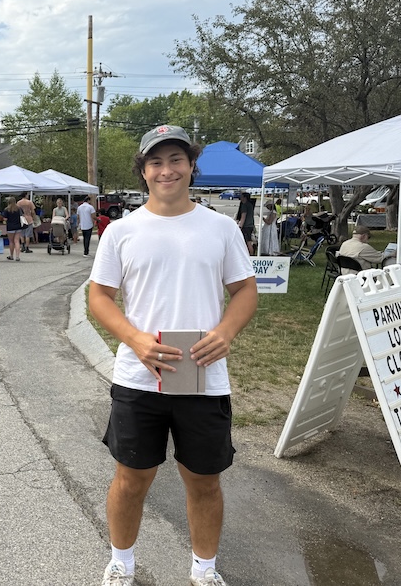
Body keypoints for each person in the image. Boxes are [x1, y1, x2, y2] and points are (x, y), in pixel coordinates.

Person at [88, 125, 257, 586]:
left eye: (176, 160)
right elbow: (99, 297)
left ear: (190, 166)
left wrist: (226, 330)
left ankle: (204, 570)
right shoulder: (121, 232)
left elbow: (244, 289)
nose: (167, 170)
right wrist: (136, 339)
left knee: (204, 481)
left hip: (202, 376)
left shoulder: (221, 228)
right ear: (143, 171)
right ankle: (121, 562)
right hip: (139, 378)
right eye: (156, 162)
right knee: (131, 479)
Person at [1, 196, 24, 261]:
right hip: (18, 226)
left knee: (11, 241)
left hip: (10, 227)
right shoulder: (19, 209)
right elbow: (22, 216)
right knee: (17, 241)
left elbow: (5, 218)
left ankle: (11, 255)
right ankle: (17, 256)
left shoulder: (6, 209)